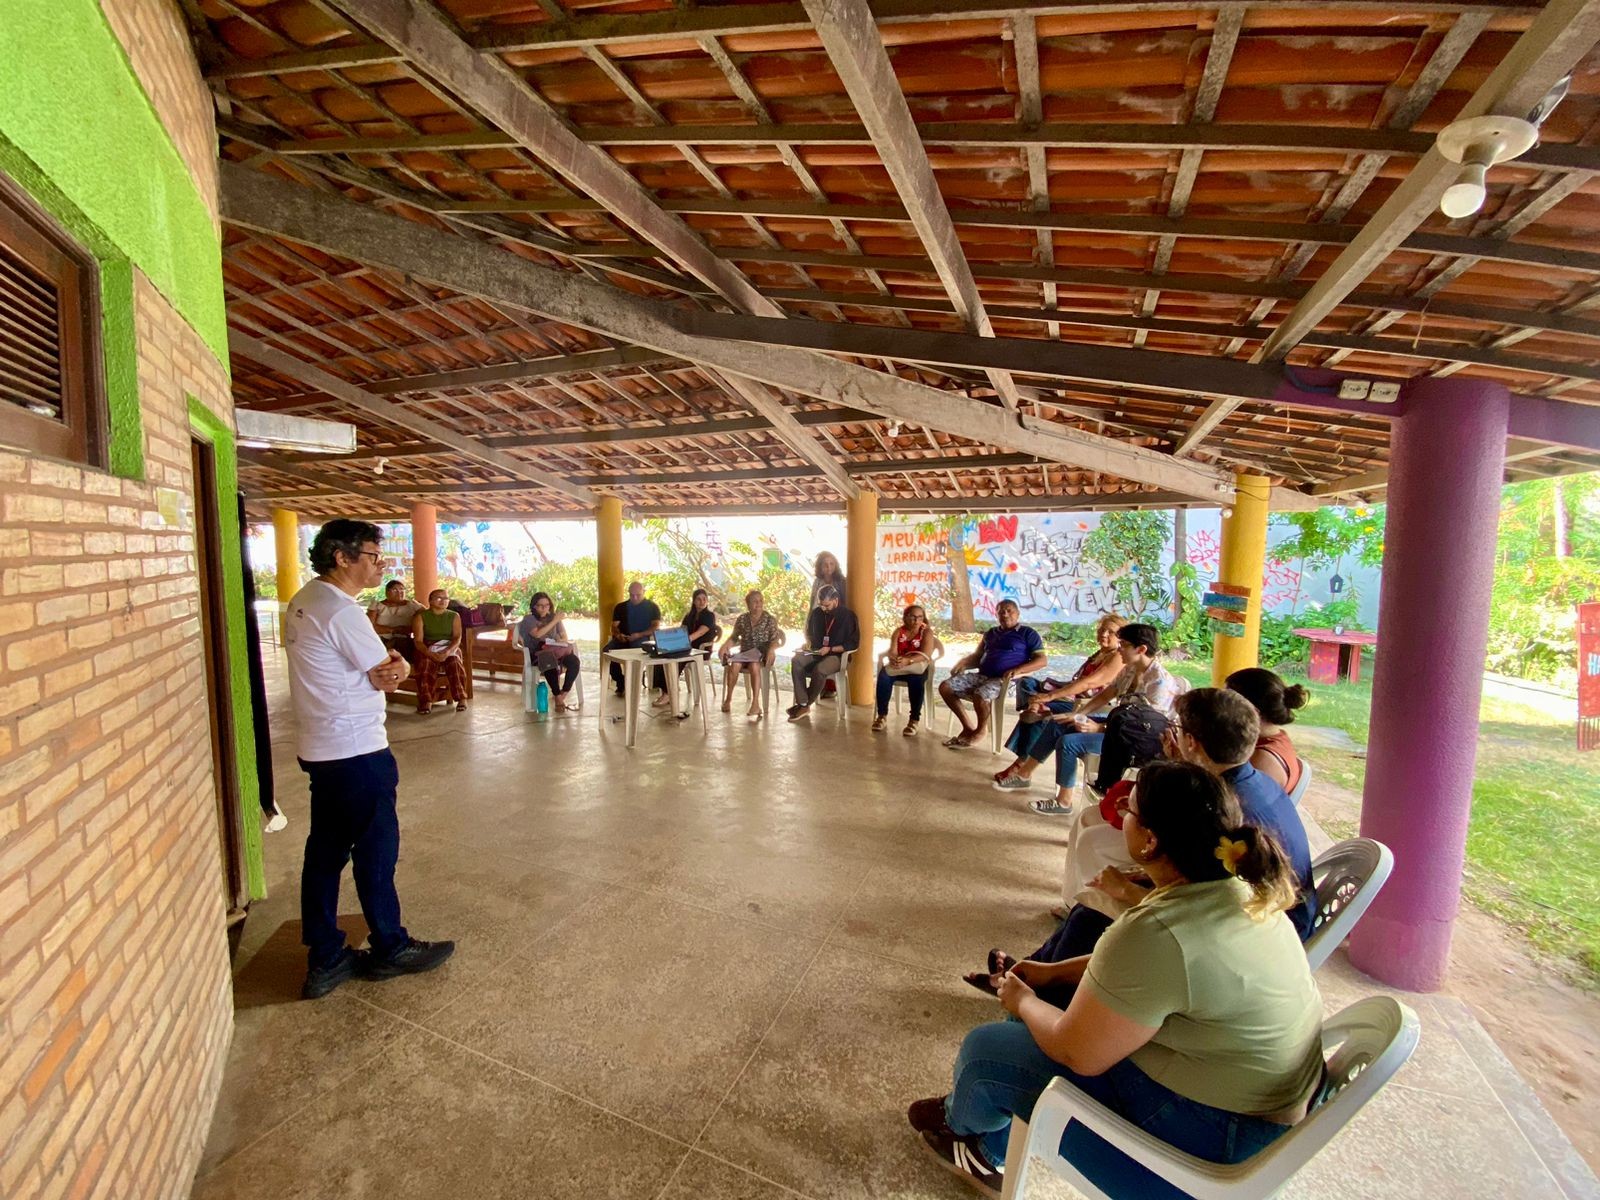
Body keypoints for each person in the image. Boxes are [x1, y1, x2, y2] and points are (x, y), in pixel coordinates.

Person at [910, 760, 1323, 1197]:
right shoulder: (1242, 890)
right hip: (1243, 1106)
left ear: (1149, 839)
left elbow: (1077, 1052)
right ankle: (996, 1136)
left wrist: (1023, 1000)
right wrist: (1050, 974)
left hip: (1209, 1146)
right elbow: (1144, 976)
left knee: (986, 1050)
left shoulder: (1159, 931)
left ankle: (965, 1133)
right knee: (1041, 1013)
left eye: (1131, 809)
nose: (1122, 809)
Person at [967, 686, 1318, 1001]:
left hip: (1250, 929)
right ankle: (1035, 971)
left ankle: (1038, 990)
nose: (1174, 735)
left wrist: (1130, 890)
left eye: (1179, 730)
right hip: (1259, 911)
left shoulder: (1225, 808)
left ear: (1193, 742)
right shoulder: (1246, 781)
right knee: (1093, 902)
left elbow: (1201, 911)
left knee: (1092, 913)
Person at [283, 519, 455, 1000]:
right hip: (356, 749)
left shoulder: (306, 600)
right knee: (377, 851)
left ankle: (326, 956)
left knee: (324, 853)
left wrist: (391, 666)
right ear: (342, 557)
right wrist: (395, 667)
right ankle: (390, 946)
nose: (382, 564)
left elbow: (381, 668)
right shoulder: (339, 611)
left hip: (322, 749)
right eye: (374, 556)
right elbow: (386, 674)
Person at [994, 623, 1179, 815]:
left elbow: (1145, 731)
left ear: (1141, 649)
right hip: (1119, 725)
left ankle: (1064, 802)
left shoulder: (1159, 682)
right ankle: (1024, 774)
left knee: (1068, 743)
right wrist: (1079, 714)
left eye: (1123, 644)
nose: (1119, 648)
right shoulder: (1130, 669)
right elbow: (1108, 693)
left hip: (1134, 741)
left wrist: (1099, 729)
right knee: (1060, 721)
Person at [938, 600, 1047, 749]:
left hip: (1008, 680)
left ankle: (981, 730)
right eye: (1001, 611)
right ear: (996, 614)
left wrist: (1019, 670)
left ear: (1018, 614)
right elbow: (977, 656)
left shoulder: (1027, 633)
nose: (1005, 614)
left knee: (981, 694)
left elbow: (1042, 660)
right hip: (983, 676)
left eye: (1009, 611)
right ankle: (968, 727)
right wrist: (963, 662)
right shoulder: (991, 633)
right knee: (945, 686)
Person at [1014, 613, 1125, 713]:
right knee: (1026, 682)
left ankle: (1034, 707)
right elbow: (1079, 680)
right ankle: (1034, 706)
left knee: (1037, 712)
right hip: (1073, 695)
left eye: (1111, 632)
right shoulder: (1100, 653)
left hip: (1084, 703)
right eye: (1102, 630)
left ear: (1120, 637)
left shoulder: (1118, 656)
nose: (1104, 634)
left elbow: (1089, 683)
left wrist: (1050, 696)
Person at [1227, 668, 1309, 794]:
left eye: (1227, 703)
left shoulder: (1262, 759)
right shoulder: (1276, 736)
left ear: (1252, 711)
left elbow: (1233, 808)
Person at [787, 585, 861, 722]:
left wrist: (831, 649)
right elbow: (809, 633)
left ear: (835, 600)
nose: (823, 608)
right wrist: (808, 643)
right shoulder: (816, 613)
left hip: (836, 655)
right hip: (816, 651)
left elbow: (853, 643)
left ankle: (803, 705)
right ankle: (803, 704)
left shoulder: (848, 616)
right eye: (821, 605)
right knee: (796, 660)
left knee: (820, 669)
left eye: (827, 605)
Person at [874, 603, 940, 736]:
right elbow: (893, 651)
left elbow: (926, 655)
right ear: (905, 617)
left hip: (917, 667)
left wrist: (908, 661)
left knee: (916, 681)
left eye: (920, 617)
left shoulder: (926, 632)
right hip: (900, 667)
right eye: (913, 617)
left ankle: (914, 720)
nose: (916, 621)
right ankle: (882, 716)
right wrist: (895, 659)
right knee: (884, 676)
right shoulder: (899, 631)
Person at [719, 589, 783, 722]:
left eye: (760, 601)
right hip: (745, 653)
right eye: (754, 601)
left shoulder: (769, 620)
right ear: (748, 604)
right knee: (735, 664)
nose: (758, 604)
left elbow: (776, 640)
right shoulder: (742, 619)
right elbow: (734, 637)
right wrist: (725, 646)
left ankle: (755, 704)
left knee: (754, 666)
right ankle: (728, 699)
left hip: (763, 654)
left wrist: (771, 650)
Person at [511, 591, 580, 712]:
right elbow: (537, 634)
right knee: (549, 661)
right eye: (540, 606)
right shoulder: (529, 619)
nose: (544, 608)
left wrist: (559, 638)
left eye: (547, 605)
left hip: (556, 651)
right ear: (534, 606)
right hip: (537, 653)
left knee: (574, 661)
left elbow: (564, 637)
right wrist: (555, 621)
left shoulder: (554, 618)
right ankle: (557, 694)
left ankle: (562, 695)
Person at [410, 589, 469, 715]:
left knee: (455, 662)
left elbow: (457, 638)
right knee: (425, 665)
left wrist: (447, 651)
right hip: (428, 647)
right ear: (430, 600)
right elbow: (418, 641)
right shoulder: (421, 617)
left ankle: (462, 698)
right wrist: (430, 653)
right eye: (439, 598)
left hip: (449, 646)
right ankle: (427, 701)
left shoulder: (454, 616)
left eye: (446, 598)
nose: (443, 601)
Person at [603, 580, 661, 697]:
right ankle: (620, 681)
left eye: (637, 595)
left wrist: (639, 635)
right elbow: (614, 626)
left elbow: (655, 626)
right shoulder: (621, 607)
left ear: (643, 592)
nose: (634, 598)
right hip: (623, 638)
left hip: (642, 639)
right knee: (607, 651)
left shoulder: (652, 607)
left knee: (636, 654)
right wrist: (619, 635)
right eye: (631, 595)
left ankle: (634, 683)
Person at [367, 579, 421, 662]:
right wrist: (394, 630)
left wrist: (411, 629)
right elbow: (369, 627)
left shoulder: (412, 605)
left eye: (402, 589)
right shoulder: (377, 605)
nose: (399, 592)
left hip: (405, 640)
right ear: (387, 592)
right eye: (395, 589)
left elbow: (426, 617)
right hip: (382, 639)